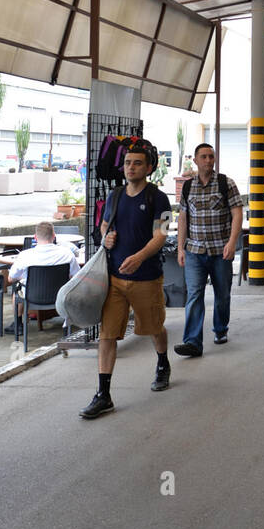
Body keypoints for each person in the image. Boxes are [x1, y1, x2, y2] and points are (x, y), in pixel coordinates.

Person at [80, 138, 172, 420]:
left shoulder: (159, 198)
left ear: (149, 168)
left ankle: (162, 362)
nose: (130, 168)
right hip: (115, 280)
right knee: (107, 335)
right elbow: (103, 225)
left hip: (146, 277)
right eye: (128, 163)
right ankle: (103, 394)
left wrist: (140, 256)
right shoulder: (115, 195)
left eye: (137, 163)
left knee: (154, 326)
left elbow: (162, 234)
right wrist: (106, 237)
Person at [175, 143, 243, 356]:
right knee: (194, 294)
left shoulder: (226, 183)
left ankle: (220, 328)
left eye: (211, 156)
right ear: (195, 160)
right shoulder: (187, 187)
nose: (208, 160)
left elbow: (237, 214)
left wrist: (232, 242)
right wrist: (180, 248)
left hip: (220, 251)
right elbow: (183, 219)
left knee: (222, 294)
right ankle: (193, 342)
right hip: (195, 251)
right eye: (203, 157)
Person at [7, 221, 80, 329]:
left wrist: (24, 277)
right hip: (60, 295)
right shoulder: (67, 253)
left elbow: (11, 279)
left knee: (18, 289)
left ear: (35, 238)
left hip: (32, 296)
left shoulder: (25, 255)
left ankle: (17, 324)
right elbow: (76, 276)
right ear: (54, 236)